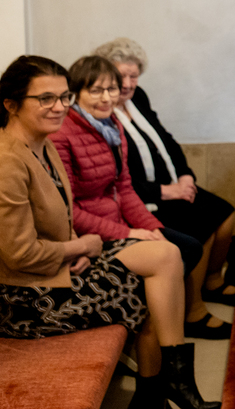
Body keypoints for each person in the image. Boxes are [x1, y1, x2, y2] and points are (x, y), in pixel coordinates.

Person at [0, 55, 220, 409]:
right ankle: (158, 392)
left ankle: (164, 387)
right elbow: (19, 254)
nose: (59, 107)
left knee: (167, 255)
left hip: (59, 267)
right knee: (155, 283)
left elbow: (70, 213)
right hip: (27, 298)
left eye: (64, 97)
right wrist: (82, 246)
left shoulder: (43, 143)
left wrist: (80, 245)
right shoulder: (8, 161)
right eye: (45, 98)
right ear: (11, 104)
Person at [49, 56, 224, 338]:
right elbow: (68, 209)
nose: (106, 98)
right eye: (95, 91)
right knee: (173, 254)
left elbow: (124, 188)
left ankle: (167, 327)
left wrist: (151, 228)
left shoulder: (111, 126)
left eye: (111, 89)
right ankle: (161, 326)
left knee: (189, 246)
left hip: (116, 220)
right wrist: (129, 233)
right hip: (89, 232)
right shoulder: (62, 133)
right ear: (75, 94)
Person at [94, 37, 235, 333]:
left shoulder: (138, 97)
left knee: (225, 214)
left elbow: (165, 139)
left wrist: (185, 175)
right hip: (142, 196)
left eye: (134, 76)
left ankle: (211, 281)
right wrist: (165, 191)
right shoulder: (101, 110)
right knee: (200, 228)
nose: (128, 83)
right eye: (121, 76)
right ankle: (193, 312)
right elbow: (115, 178)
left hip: (169, 185)